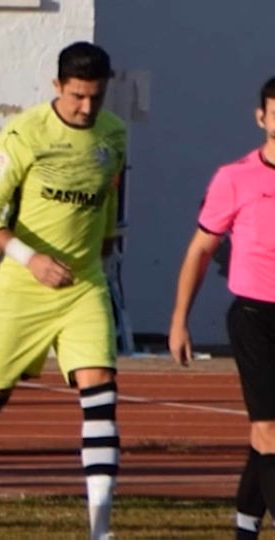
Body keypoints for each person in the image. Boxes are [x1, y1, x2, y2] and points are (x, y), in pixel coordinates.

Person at [0, 42, 126, 540]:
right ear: (57, 86)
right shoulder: (23, 134)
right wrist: (30, 259)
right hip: (21, 288)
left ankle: (101, 530)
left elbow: (105, 198)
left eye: (96, 97)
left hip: (83, 286)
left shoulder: (115, 134)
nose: (86, 107)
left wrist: (104, 249)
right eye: (77, 96)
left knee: (100, 392)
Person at [169, 77, 275, 540]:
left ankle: (245, 530)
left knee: (264, 439)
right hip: (254, 317)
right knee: (271, 430)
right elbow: (199, 250)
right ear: (262, 118)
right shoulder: (235, 177)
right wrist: (179, 321)